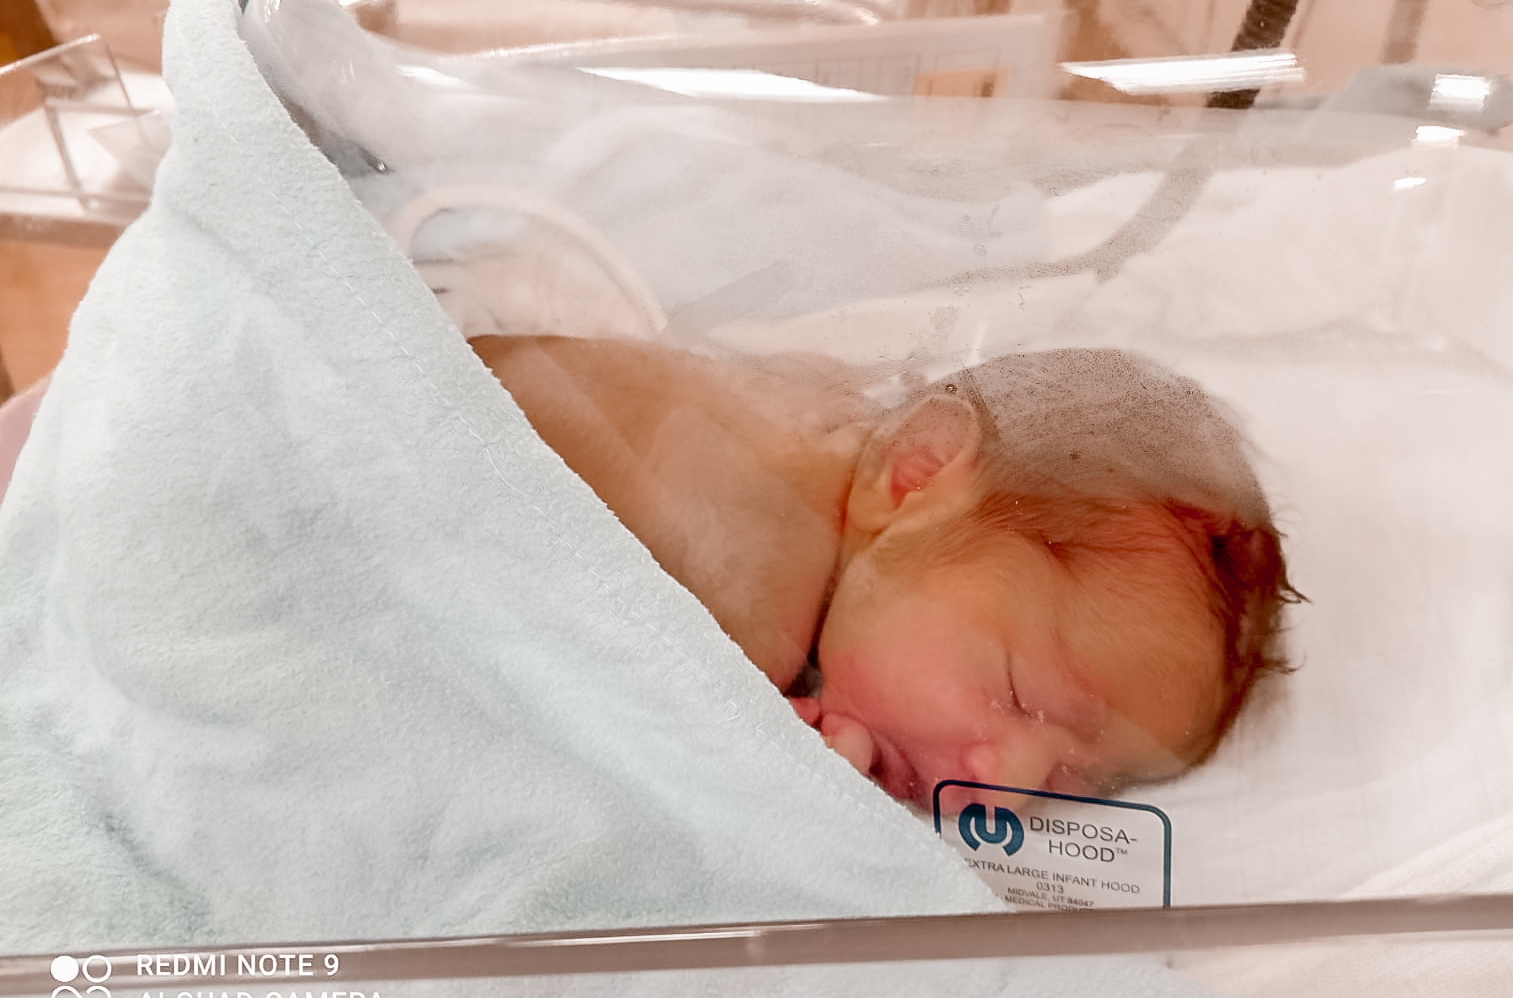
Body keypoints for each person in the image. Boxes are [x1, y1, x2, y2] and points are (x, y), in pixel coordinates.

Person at [470, 334, 1295, 808]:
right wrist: (764, 770)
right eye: (1019, 696)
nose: (1006, 789)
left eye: (1074, 781)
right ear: (917, 475)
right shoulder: (757, 576)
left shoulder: (821, 421)